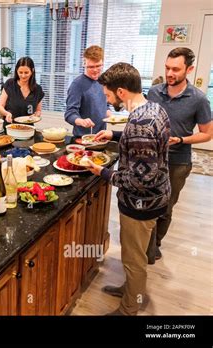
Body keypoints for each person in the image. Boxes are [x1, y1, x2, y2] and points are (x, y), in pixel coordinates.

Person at [86, 62, 171, 316]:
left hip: (141, 203)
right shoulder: (153, 108)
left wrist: (102, 172)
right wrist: (113, 135)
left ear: (121, 92)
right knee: (135, 256)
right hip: (158, 196)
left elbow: (139, 179)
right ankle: (129, 289)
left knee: (134, 261)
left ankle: (128, 309)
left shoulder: (139, 125)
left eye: (108, 94)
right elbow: (149, 147)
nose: (107, 98)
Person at [146, 47, 212, 263]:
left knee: (165, 206)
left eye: (176, 69)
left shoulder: (199, 99)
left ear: (189, 69)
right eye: (167, 68)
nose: (169, 73)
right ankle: (144, 245)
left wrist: (181, 139)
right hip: (151, 159)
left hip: (177, 162)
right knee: (147, 203)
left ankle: (155, 245)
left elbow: (207, 134)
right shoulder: (154, 92)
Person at [64, 45, 110, 137]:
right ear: (84, 64)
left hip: (101, 136)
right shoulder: (77, 85)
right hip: (82, 138)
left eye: (98, 66)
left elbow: (105, 106)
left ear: (103, 63)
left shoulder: (104, 81)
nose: (95, 70)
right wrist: (81, 121)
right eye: (91, 67)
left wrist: (111, 116)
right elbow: (69, 114)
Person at [0, 57, 45, 125]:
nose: (23, 75)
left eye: (26, 72)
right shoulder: (10, 84)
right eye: (20, 72)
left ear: (32, 71)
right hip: (10, 127)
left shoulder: (37, 89)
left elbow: (38, 110)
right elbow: (0, 106)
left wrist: (36, 115)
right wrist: (7, 113)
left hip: (28, 129)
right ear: (16, 70)